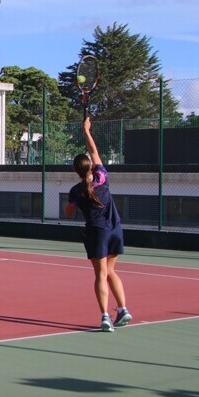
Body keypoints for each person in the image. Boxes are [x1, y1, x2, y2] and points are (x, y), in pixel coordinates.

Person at [65, 117, 131, 332]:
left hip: (97, 233)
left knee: (100, 275)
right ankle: (123, 309)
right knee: (111, 271)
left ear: (76, 170)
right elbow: (93, 151)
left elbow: (68, 212)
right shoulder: (102, 176)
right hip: (116, 230)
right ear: (91, 166)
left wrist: (73, 205)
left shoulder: (76, 191)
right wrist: (86, 131)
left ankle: (105, 317)